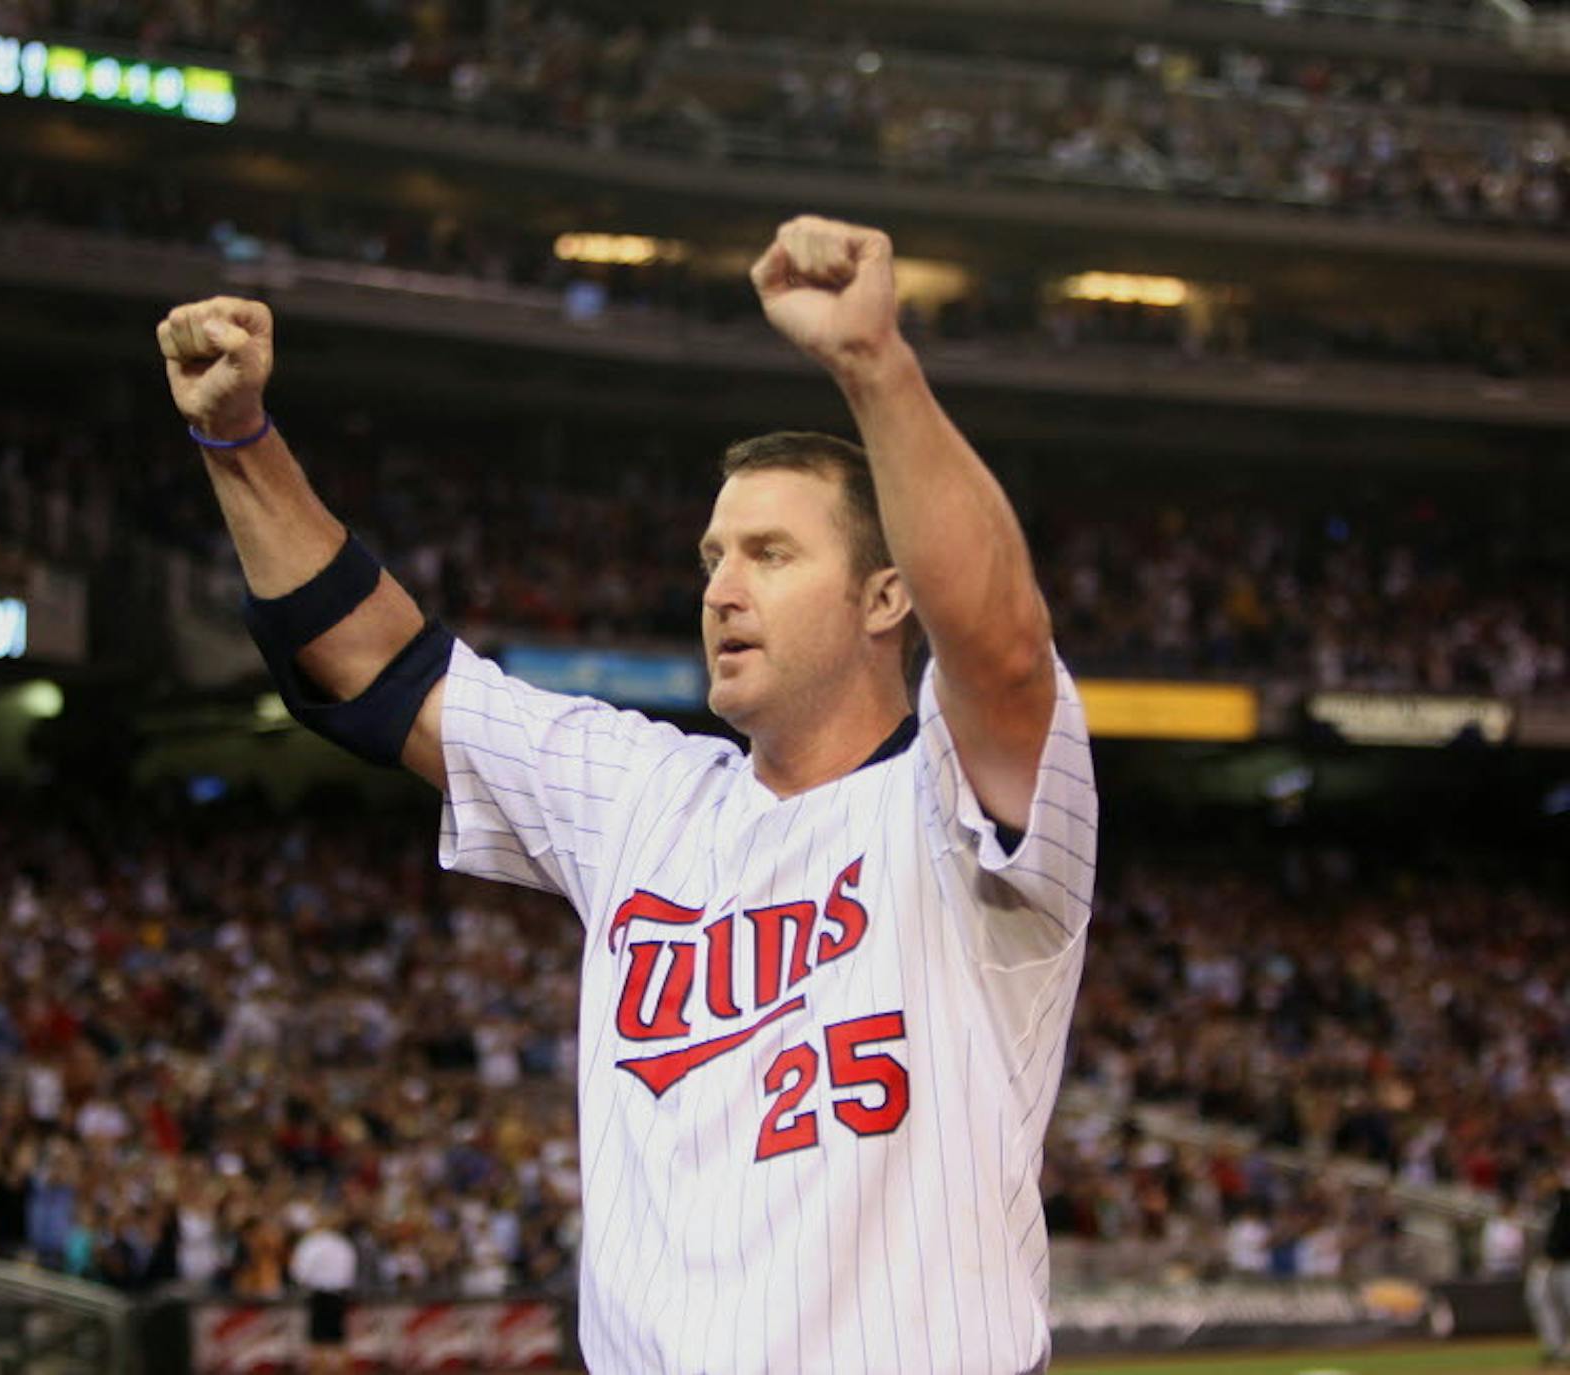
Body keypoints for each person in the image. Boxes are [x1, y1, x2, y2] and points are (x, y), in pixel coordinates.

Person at [159, 214, 1099, 1375]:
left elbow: (1002, 648)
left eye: (771, 553)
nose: (722, 587)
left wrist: (875, 366)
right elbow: (375, 669)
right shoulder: (643, 794)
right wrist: (238, 437)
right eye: (712, 557)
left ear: (885, 596)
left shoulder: (961, 808)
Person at [288, 1208, 358, 1375]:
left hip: (319, 1295)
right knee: (339, 1341)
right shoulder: (344, 1244)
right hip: (339, 1296)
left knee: (317, 1343)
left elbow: (299, 1273)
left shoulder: (311, 1243)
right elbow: (349, 1274)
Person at [1533, 1171, 1570, 1368]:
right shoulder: (1550, 1203)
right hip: (1552, 1263)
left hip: (1567, 1264)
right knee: (1546, 1305)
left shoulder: (1565, 1201)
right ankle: (1555, 1349)